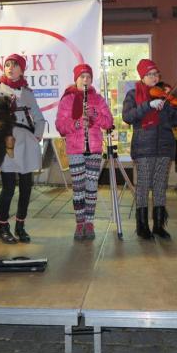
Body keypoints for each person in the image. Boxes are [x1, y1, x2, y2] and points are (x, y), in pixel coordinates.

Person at [122, 59, 177, 240]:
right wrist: (148, 105)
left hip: (164, 146)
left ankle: (159, 225)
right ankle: (142, 226)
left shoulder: (165, 96)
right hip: (144, 147)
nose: (155, 77)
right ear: (142, 76)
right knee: (143, 186)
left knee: (161, 186)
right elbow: (128, 116)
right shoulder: (133, 94)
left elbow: (174, 121)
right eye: (151, 74)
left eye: (156, 74)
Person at [0, 54, 47, 244]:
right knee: (8, 188)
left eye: (15, 65)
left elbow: (39, 118)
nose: (10, 68)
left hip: (26, 144)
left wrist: (36, 136)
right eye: (7, 64)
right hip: (6, 143)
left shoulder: (27, 92)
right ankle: (2, 227)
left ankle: (20, 226)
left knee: (26, 188)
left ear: (22, 69)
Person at [55, 63, 114, 241]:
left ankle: (89, 222)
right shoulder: (67, 99)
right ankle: (79, 223)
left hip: (94, 148)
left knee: (91, 188)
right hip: (75, 149)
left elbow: (109, 122)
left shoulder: (98, 99)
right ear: (76, 79)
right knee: (79, 188)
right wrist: (78, 123)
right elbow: (60, 126)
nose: (85, 79)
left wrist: (95, 115)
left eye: (88, 76)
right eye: (82, 77)